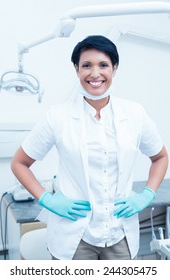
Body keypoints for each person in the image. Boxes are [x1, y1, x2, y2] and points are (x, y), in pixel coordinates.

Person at [11, 35, 168, 260]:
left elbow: (160, 157)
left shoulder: (135, 114)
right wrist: (46, 198)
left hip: (119, 234)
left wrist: (147, 194)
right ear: (77, 70)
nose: (95, 74)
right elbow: (19, 163)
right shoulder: (57, 117)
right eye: (86, 65)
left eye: (103, 65)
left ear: (114, 69)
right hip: (74, 237)